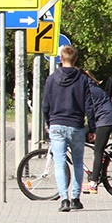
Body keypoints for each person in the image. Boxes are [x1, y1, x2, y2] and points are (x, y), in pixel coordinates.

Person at [41, 45, 94, 212]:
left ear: (61, 59)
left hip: (57, 124)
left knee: (60, 162)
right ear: (75, 59)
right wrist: (91, 128)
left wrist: (49, 123)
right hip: (76, 125)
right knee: (78, 162)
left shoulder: (51, 79)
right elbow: (89, 106)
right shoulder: (83, 80)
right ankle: (75, 198)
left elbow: (45, 105)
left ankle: (64, 199)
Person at [83, 70, 112, 195]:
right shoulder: (90, 86)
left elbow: (89, 110)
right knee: (87, 139)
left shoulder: (87, 89)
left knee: (98, 150)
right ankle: (97, 168)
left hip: (106, 120)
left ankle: (93, 183)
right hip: (106, 118)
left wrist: (92, 129)